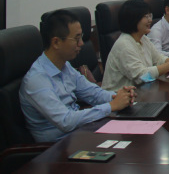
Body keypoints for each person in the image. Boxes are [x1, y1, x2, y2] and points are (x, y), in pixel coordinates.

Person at [20, 10, 135, 142]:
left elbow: (93, 93)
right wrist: (111, 106)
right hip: (58, 146)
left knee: (133, 133)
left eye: (81, 37)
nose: (81, 43)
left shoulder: (65, 66)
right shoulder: (37, 80)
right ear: (56, 42)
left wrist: (119, 96)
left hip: (80, 133)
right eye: (76, 38)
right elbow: (65, 121)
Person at [102, 0, 169, 91]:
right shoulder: (124, 45)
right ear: (133, 19)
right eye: (146, 17)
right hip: (118, 96)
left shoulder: (143, 38)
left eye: (150, 16)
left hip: (141, 91)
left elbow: (158, 59)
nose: (150, 20)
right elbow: (143, 77)